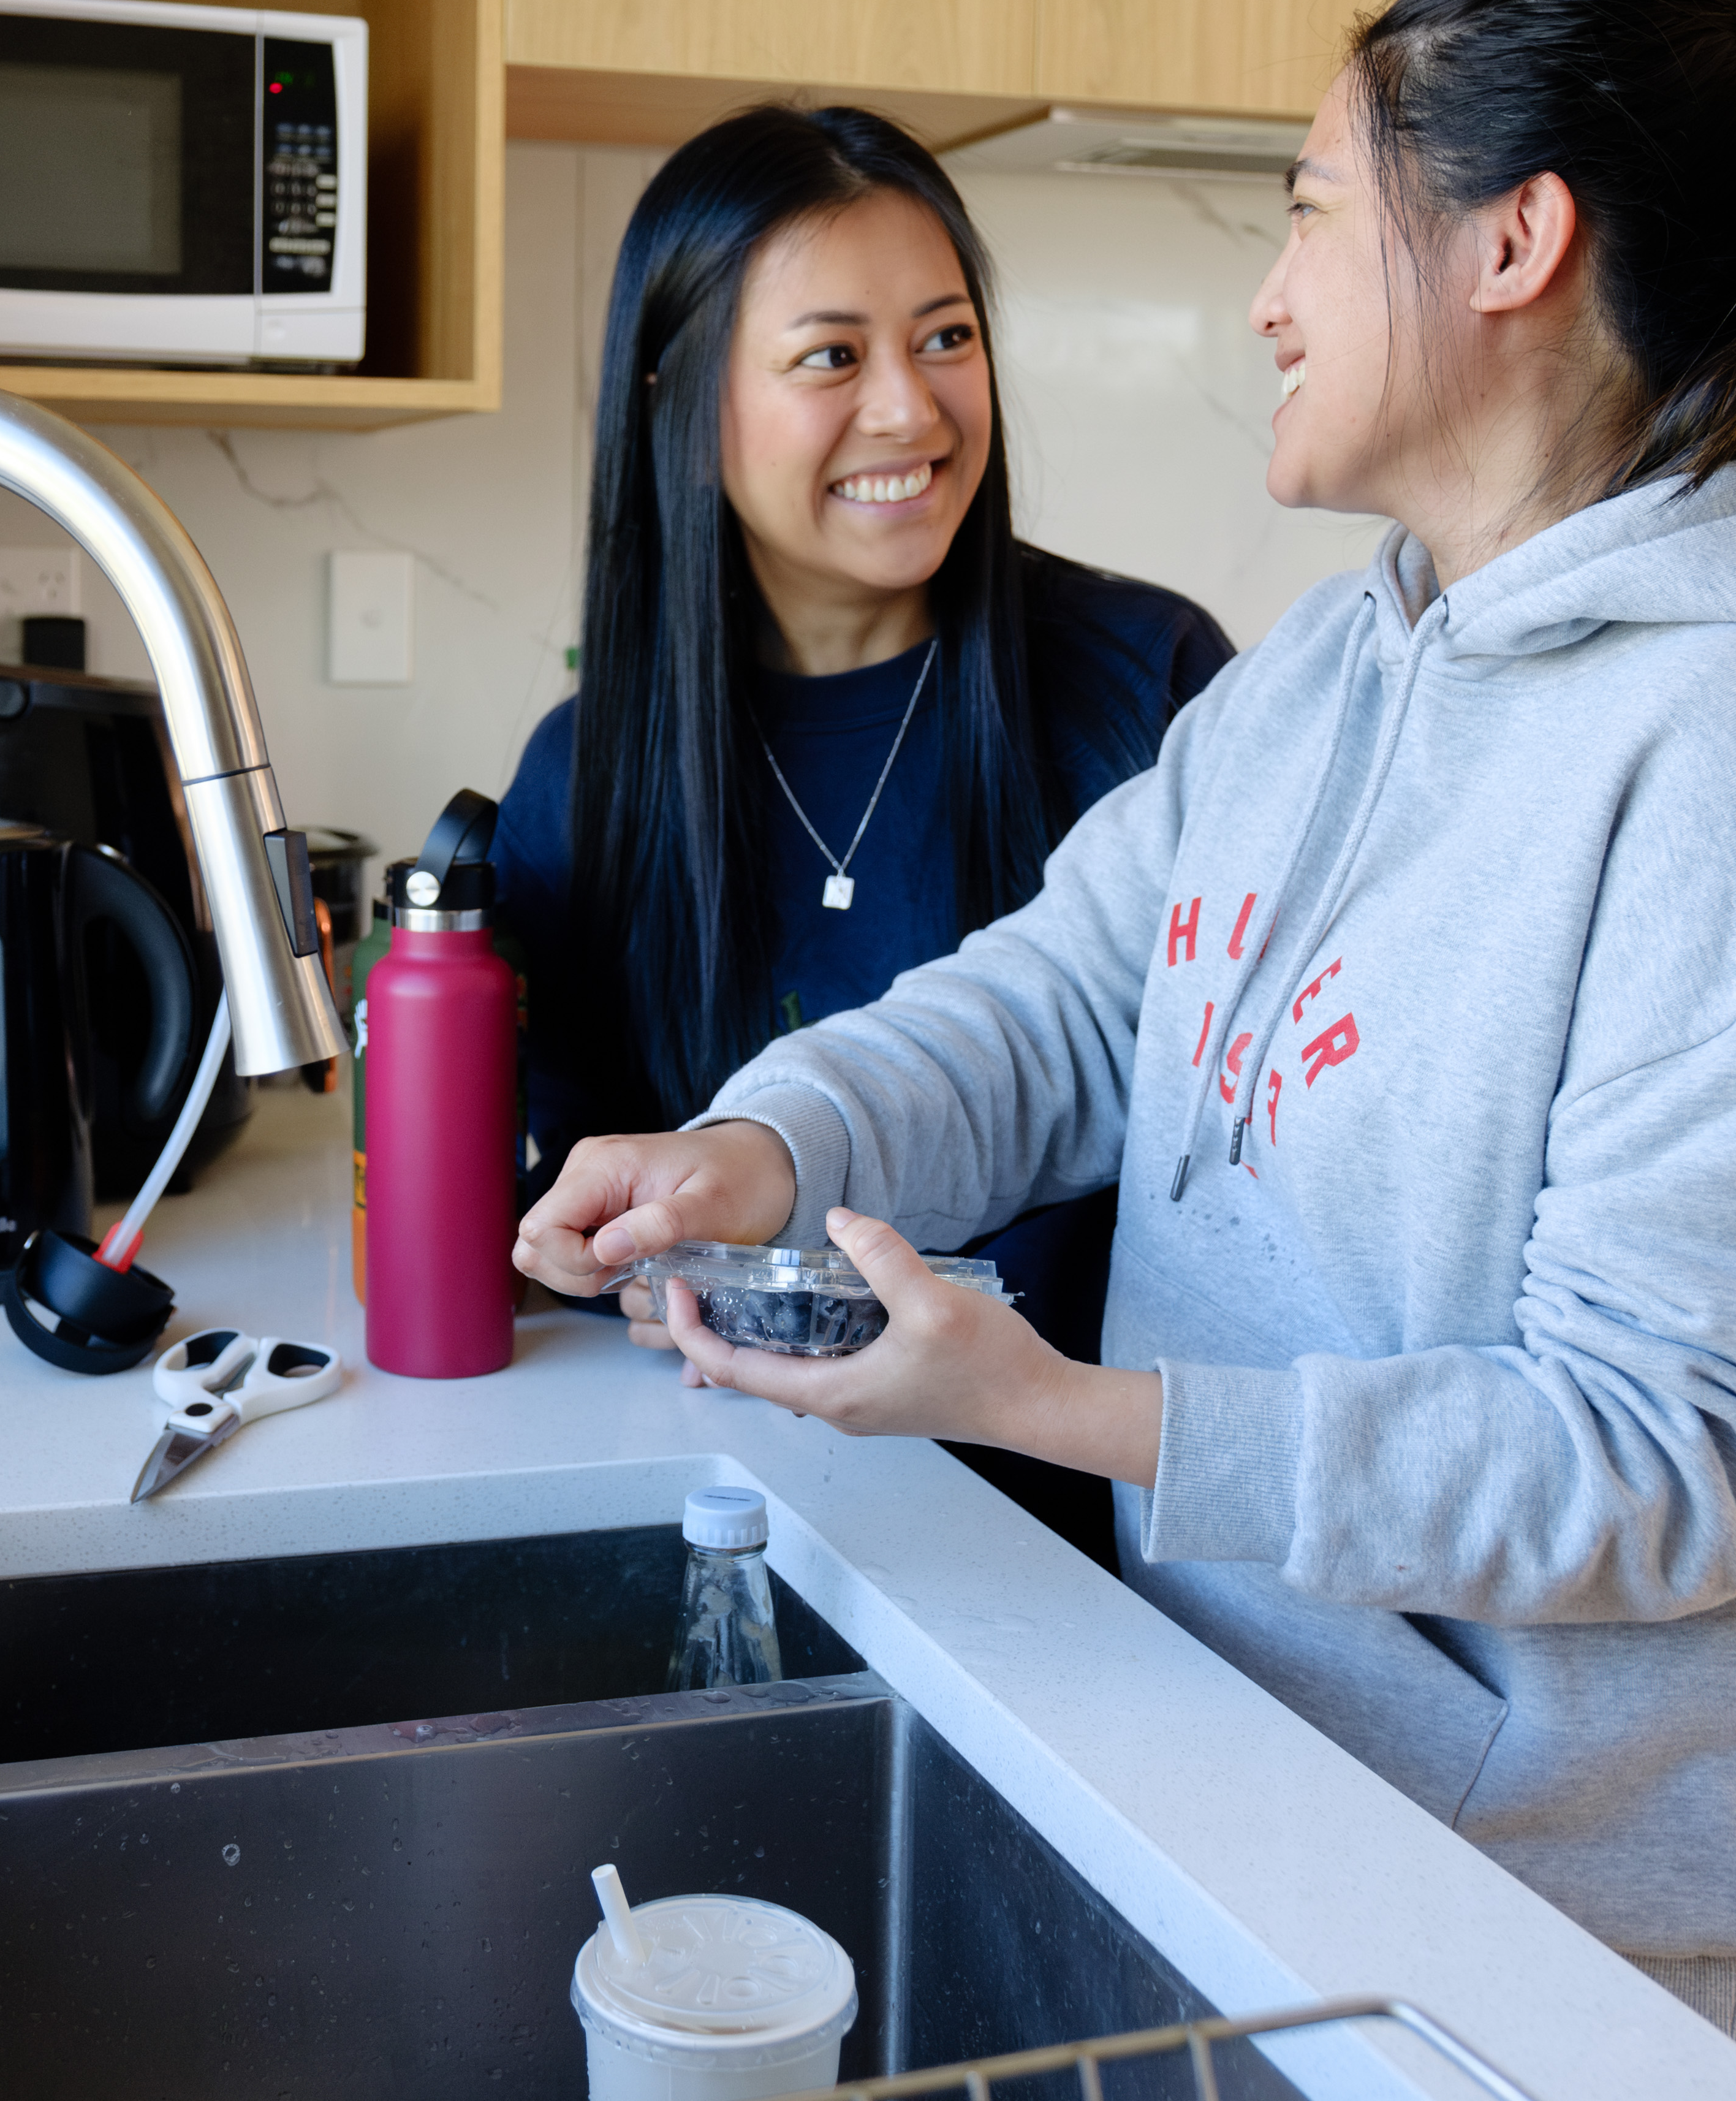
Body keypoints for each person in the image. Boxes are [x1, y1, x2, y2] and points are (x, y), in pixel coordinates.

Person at [514, 0, 1736, 2101]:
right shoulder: (1339, 664)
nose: (1265, 295)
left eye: (1300, 209)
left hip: (1607, 1964)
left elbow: (1660, 1457)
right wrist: (772, 1145)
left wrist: (1071, 1406)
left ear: (1511, 243)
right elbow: (1078, 994)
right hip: (1296, 1801)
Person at [490, 105, 1235, 1556]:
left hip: (1101, 1538)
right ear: (678, 398)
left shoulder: (1148, 685)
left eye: (943, 337)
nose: (909, 409)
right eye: (832, 355)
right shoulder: (586, 775)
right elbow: (559, 1208)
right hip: (735, 1502)